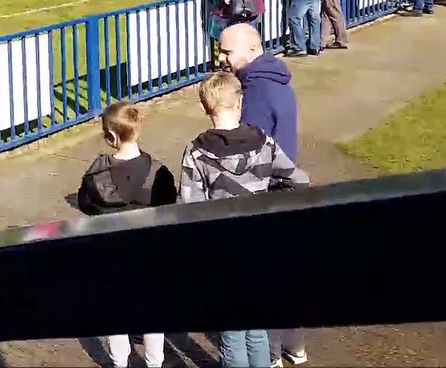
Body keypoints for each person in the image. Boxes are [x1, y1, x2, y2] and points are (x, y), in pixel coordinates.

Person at [179, 72, 310, 368]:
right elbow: (299, 182)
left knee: (233, 331)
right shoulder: (264, 143)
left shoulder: (197, 153)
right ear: (240, 101)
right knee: (257, 327)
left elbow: (189, 209)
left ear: (205, 108)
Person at [76, 101, 176, 368]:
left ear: (110, 137)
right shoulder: (159, 174)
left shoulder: (95, 176)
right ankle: (155, 362)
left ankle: (119, 362)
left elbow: (85, 205)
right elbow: (170, 211)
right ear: (138, 130)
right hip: (149, 256)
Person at [216, 22, 299, 162]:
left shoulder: (257, 92)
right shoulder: (272, 76)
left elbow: (246, 150)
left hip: (265, 178)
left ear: (252, 49)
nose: (220, 58)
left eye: (227, 52)